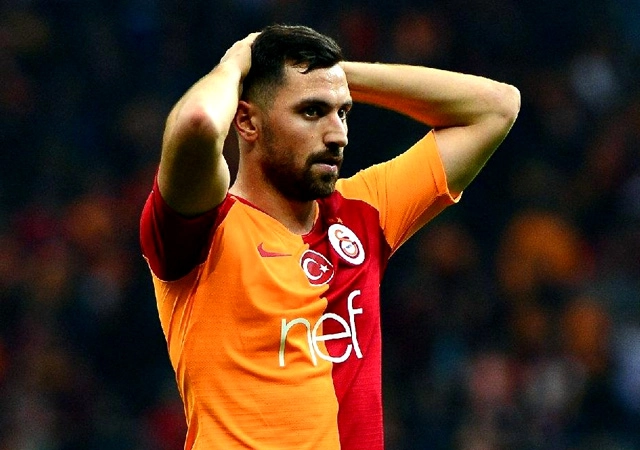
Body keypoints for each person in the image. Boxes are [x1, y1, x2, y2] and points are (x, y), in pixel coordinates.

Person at [140, 24, 520, 449]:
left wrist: (336, 74)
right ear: (246, 121)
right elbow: (197, 123)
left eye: (342, 113)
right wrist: (235, 64)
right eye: (312, 112)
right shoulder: (202, 230)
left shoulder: (364, 211)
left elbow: (497, 106)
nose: (338, 135)